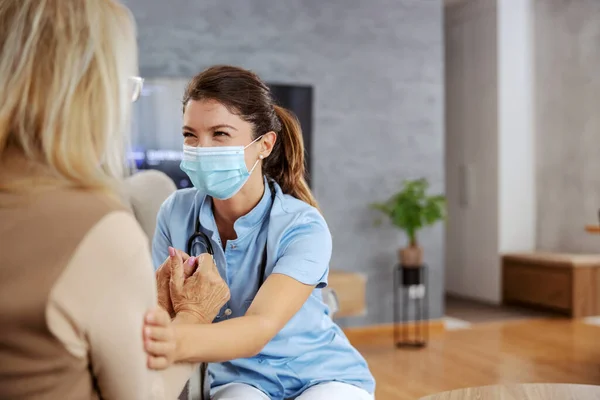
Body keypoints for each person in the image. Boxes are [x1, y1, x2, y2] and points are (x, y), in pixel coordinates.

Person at [0, 1, 229, 399]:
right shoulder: (96, 227)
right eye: (189, 134)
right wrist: (194, 315)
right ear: (95, 90)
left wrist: (141, 303)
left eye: (220, 134)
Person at [144, 65, 376, 400]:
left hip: (320, 371)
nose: (202, 147)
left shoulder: (303, 226)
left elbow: (259, 328)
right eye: (190, 135)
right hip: (238, 375)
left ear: (264, 144)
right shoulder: (176, 212)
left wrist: (167, 342)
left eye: (220, 134)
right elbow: (159, 305)